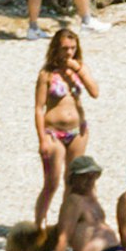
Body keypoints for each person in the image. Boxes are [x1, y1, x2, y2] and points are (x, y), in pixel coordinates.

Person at [30, 26, 94, 231]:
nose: (68, 53)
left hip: (77, 131)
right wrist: (42, 139)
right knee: (52, 181)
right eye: (65, 48)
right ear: (56, 49)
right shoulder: (47, 74)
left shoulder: (80, 68)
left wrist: (78, 70)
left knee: (72, 181)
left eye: (72, 48)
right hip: (53, 132)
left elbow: (95, 91)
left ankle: (65, 225)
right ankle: (39, 225)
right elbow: (39, 108)